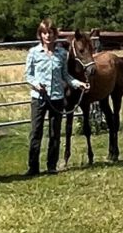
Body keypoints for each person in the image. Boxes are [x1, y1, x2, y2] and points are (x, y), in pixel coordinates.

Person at [25, 19, 87, 176]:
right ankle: (33, 167)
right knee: (36, 132)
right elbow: (28, 75)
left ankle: (51, 165)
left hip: (57, 98)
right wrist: (36, 84)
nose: (47, 36)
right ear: (40, 34)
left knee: (55, 132)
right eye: (44, 33)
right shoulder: (33, 53)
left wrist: (78, 84)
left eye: (50, 33)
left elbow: (65, 75)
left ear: (55, 35)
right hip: (39, 98)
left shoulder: (62, 54)